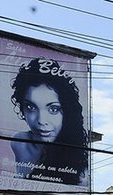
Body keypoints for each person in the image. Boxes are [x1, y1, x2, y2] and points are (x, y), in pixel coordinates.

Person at [9, 57, 89, 185]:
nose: (41, 121)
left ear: (67, 112)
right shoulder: (19, 143)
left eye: (53, 109)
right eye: (31, 107)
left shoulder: (79, 166)